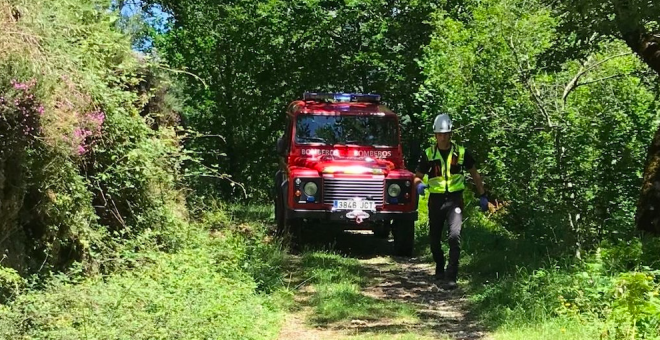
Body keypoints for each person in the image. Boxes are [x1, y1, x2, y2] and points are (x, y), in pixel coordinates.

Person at [414, 113, 488, 290]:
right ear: (435, 135)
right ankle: (439, 269)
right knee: (434, 239)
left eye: (446, 134)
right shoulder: (428, 154)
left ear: (451, 134)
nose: (443, 137)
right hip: (436, 201)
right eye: (440, 134)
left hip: (455, 200)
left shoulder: (461, 152)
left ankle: (451, 275)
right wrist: (419, 186)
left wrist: (482, 195)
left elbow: (474, 174)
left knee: (454, 236)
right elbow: (417, 177)